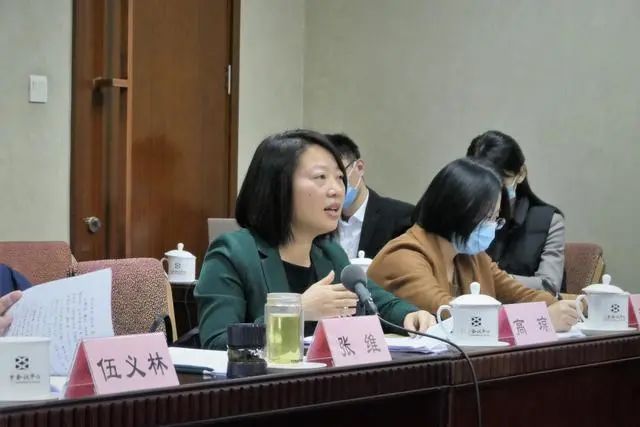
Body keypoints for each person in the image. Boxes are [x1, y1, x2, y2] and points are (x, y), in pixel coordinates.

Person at [195, 130, 435, 350]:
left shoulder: (329, 253)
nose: (337, 190)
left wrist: (410, 315)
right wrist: (296, 311)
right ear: (278, 186)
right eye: (321, 177)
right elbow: (217, 342)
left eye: (339, 177)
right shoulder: (232, 253)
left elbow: (378, 303)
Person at [368, 158, 578, 332]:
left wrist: (562, 307)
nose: (492, 226)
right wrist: (539, 320)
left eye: (495, 218)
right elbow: (450, 314)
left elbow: (520, 295)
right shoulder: (403, 256)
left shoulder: (470, 255)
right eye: (486, 217)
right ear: (453, 211)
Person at [467, 130, 565, 294]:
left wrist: (493, 279)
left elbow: (549, 285)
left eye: (500, 179)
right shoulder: (464, 216)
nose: (492, 188)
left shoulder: (549, 221)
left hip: (526, 305)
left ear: (521, 174)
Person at [325, 133, 414, 259]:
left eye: (339, 176)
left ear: (359, 168)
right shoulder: (319, 220)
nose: (332, 187)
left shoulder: (400, 218)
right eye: (322, 177)